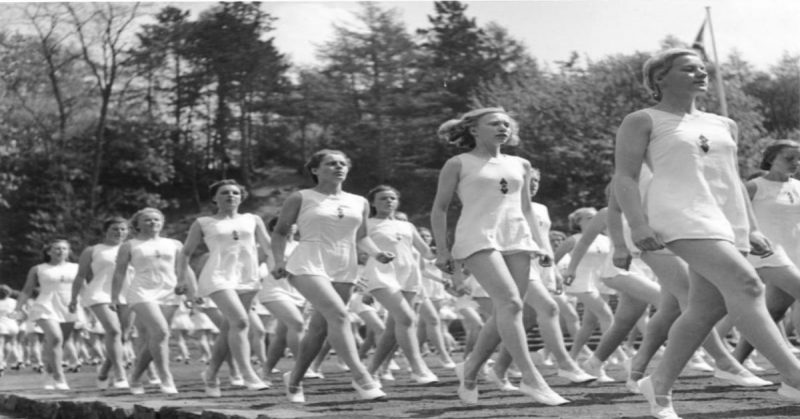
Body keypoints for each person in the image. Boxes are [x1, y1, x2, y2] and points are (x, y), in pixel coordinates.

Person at [614, 48, 800, 419]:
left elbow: (730, 179)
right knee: (747, 285)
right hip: (677, 214)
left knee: (705, 307)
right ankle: (794, 377)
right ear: (659, 78)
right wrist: (637, 224)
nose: (701, 73)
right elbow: (625, 177)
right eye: (688, 68)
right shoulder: (642, 120)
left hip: (723, 219)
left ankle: (659, 385)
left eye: (702, 68)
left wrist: (750, 226)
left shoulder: (724, 124)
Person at [431, 107, 567, 405]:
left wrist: (542, 245)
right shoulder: (458, 163)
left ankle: (469, 368)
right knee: (511, 303)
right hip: (477, 236)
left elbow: (528, 208)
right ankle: (532, 379)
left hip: (517, 236)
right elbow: (440, 208)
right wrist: (442, 251)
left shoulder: (521, 163)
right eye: (494, 123)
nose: (502, 127)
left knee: (508, 311)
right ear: (474, 130)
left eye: (506, 123)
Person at [270, 149, 390, 402]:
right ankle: (362, 377)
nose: (338, 167)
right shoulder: (301, 197)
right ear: (315, 170)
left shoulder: (359, 202)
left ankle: (294, 380)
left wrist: (377, 254)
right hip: (308, 261)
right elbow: (280, 232)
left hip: (344, 264)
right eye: (330, 163)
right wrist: (279, 260)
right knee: (340, 315)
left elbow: (362, 237)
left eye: (342, 164)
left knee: (320, 329)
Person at [179, 179, 271, 397]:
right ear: (215, 198)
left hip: (247, 276)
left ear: (241, 197)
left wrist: (280, 265)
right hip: (218, 276)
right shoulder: (204, 222)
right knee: (240, 322)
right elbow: (185, 253)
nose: (231, 196)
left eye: (235, 193)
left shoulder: (253, 219)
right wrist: (182, 279)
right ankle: (248, 373)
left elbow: (267, 247)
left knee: (229, 327)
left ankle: (210, 373)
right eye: (225, 193)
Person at [362, 185, 438, 384]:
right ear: (373, 202)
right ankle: (417, 368)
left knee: (394, 327)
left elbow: (427, 253)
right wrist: (361, 285)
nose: (389, 201)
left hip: (409, 276)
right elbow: (356, 251)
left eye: (392, 198)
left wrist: (444, 252)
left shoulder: (408, 226)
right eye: (383, 198)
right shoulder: (366, 224)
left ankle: (370, 371)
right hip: (381, 274)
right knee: (406, 318)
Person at [111, 207, 181, 395]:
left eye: (157, 220)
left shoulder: (173, 244)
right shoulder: (130, 245)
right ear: (137, 224)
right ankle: (165, 377)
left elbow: (184, 268)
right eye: (148, 220)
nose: (153, 223)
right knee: (161, 331)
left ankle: (134, 376)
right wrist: (114, 296)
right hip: (142, 292)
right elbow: (119, 272)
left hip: (169, 291)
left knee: (157, 337)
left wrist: (191, 290)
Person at [68, 216, 131, 389]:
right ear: (105, 231)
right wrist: (73, 299)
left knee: (123, 336)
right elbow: (80, 275)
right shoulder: (93, 250)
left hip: (128, 293)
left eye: (123, 229)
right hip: (100, 293)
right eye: (115, 229)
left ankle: (104, 371)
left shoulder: (133, 248)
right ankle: (120, 374)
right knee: (114, 331)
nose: (119, 232)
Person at [14, 239, 79, 390]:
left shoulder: (76, 267)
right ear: (48, 252)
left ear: (68, 252)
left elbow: (84, 287)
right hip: (46, 305)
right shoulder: (38, 269)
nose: (60, 251)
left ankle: (49, 373)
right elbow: (27, 290)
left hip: (69, 307)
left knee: (60, 343)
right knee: (56, 338)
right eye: (56, 248)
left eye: (64, 249)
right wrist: (18, 308)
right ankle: (59, 377)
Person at [256, 218, 307, 383]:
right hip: (274, 290)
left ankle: (264, 371)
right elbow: (252, 264)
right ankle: (303, 367)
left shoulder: (302, 246)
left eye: (292, 223)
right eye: (284, 223)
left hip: (298, 293)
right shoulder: (270, 245)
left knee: (281, 336)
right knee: (297, 324)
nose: (290, 226)